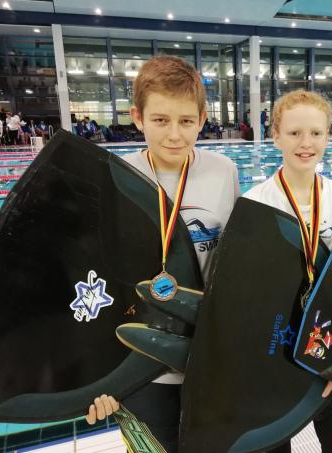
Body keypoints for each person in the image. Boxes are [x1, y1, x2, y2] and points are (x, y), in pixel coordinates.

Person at [83, 55, 240, 453]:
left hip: (208, 362)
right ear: (137, 117)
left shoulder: (224, 172)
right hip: (142, 369)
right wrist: (102, 379)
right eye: (160, 120)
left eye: (186, 121)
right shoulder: (116, 178)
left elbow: (234, 265)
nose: (174, 134)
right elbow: (99, 279)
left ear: (203, 118)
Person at [243, 89, 332, 453]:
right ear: (275, 135)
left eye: (316, 133)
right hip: (274, 347)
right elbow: (247, 293)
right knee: (278, 442)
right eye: (294, 133)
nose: (305, 143)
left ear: (328, 135)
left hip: (326, 347)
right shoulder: (254, 203)